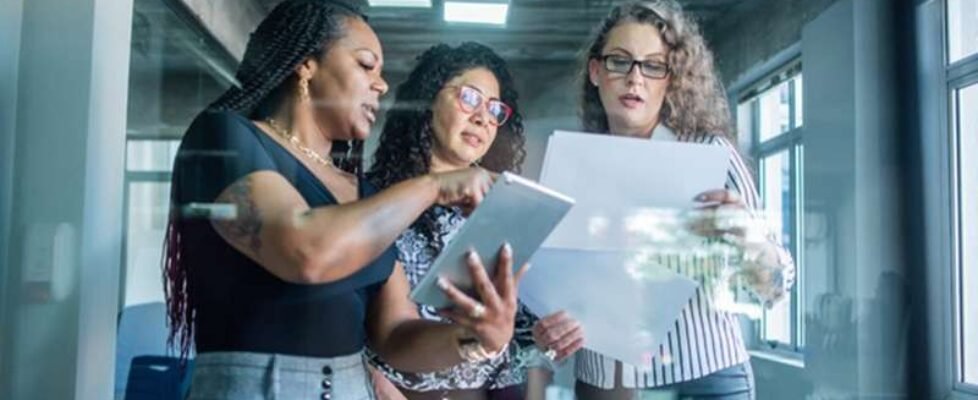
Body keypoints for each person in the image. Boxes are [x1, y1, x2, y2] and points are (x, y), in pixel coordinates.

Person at [163, 1, 524, 398]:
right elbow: (304, 251)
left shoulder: (361, 192)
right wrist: (434, 186)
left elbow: (395, 334)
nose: (381, 84)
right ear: (306, 63)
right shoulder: (225, 137)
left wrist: (474, 340)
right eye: (366, 65)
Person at [572, 1, 796, 399]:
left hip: (703, 379)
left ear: (670, 79)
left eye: (653, 65)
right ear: (596, 71)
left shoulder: (711, 155)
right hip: (603, 383)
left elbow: (776, 288)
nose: (635, 78)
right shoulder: (572, 167)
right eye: (620, 62)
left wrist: (749, 239)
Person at [366, 42, 585, 400]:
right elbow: (346, 317)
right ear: (428, 100)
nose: (483, 117)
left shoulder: (507, 206)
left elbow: (517, 337)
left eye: (495, 108)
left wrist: (547, 338)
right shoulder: (378, 199)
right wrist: (367, 373)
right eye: (469, 98)